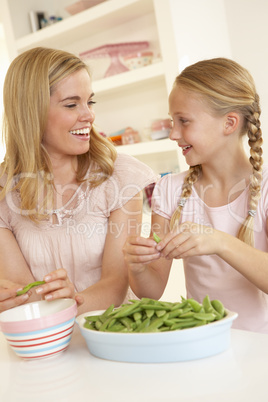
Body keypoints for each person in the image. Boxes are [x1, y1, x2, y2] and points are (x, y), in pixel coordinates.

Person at [0, 47, 157, 314]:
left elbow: (116, 286)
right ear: (31, 112)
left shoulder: (119, 177)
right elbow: (22, 293)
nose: (89, 115)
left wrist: (73, 300)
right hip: (45, 342)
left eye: (89, 102)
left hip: (114, 334)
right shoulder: (4, 192)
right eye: (72, 104)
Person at [123, 57, 268, 333]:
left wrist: (219, 242)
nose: (173, 134)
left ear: (229, 123)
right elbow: (150, 292)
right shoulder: (169, 190)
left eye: (184, 121)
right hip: (202, 341)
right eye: (171, 121)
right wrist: (138, 266)